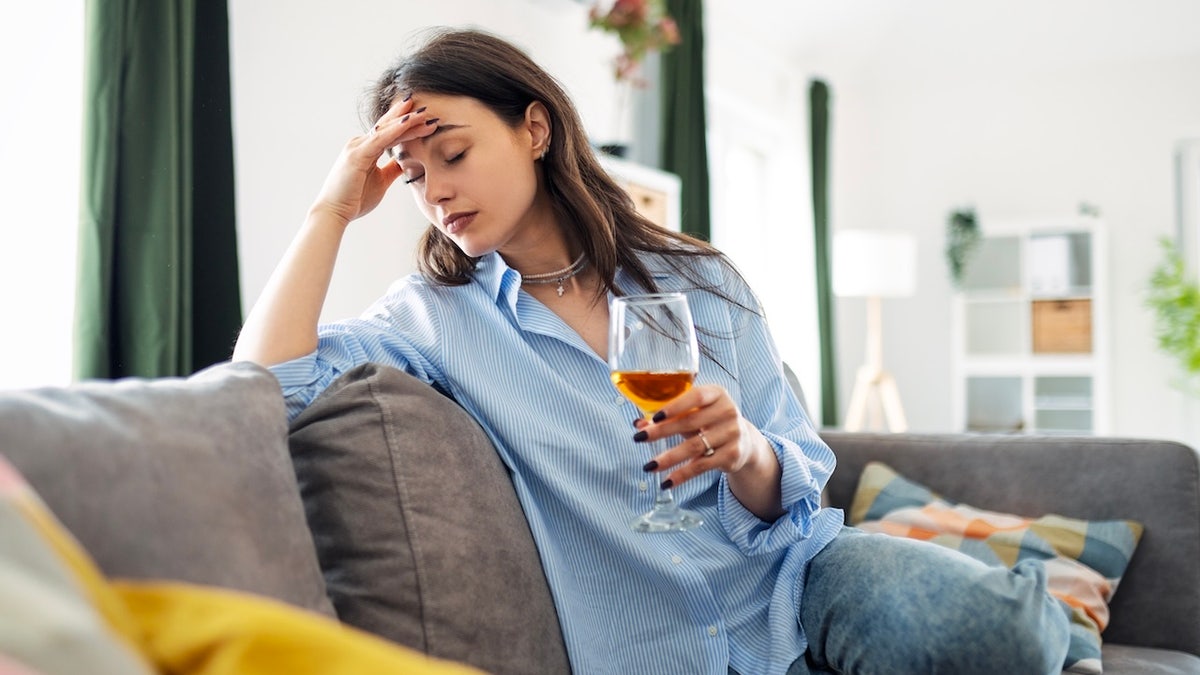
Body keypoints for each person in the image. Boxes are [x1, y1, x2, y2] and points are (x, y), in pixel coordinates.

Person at [233, 28, 1069, 675]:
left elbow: (799, 477)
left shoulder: (701, 280)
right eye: (413, 175)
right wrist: (329, 212)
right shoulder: (432, 318)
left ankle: (1057, 612)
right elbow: (267, 383)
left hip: (797, 584)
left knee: (1005, 632)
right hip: (651, 641)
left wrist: (745, 450)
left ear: (534, 129)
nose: (436, 190)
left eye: (452, 153)